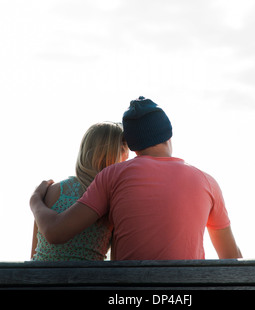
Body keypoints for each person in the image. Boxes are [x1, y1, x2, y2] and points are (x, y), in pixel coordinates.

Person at [30, 97, 242, 260]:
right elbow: (232, 258)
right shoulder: (208, 182)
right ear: (169, 135)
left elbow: (56, 233)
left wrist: (35, 202)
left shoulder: (112, 176)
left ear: (131, 147)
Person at [31, 122, 129, 261]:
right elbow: (117, 261)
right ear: (119, 152)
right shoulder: (112, 199)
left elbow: (35, 253)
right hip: (86, 281)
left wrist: (35, 198)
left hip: (36, 279)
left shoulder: (51, 191)